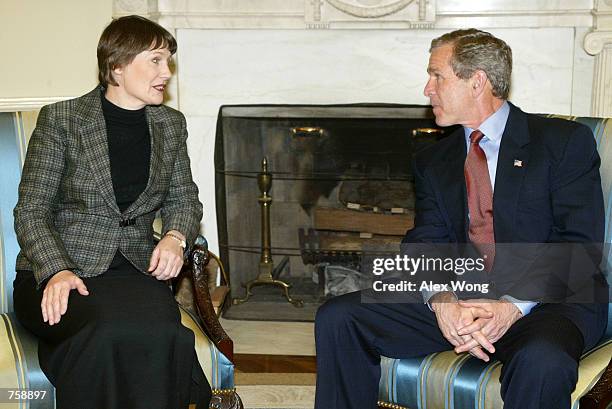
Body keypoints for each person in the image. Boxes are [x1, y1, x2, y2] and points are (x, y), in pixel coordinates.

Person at [314, 28, 609, 409]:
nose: (427, 89)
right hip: (461, 297)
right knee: (339, 317)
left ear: (477, 81)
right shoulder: (433, 161)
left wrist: (511, 307)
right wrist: (443, 301)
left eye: (437, 76)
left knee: (542, 360)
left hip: (546, 303)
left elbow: (578, 244)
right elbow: (426, 241)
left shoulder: (562, 142)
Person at [12, 15, 211, 409]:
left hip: (134, 269)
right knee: (104, 331)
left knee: (162, 330)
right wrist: (57, 270)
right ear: (116, 65)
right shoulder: (63, 120)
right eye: (155, 60)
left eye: (168, 61)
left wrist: (175, 236)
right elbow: (31, 210)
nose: (166, 72)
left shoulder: (170, 125)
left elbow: (185, 199)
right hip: (60, 270)